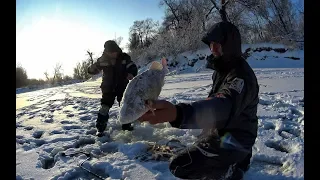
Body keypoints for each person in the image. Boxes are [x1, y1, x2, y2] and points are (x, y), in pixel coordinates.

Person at [139, 21, 259, 180]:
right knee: (197, 146)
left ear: (229, 46)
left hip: (236, 138)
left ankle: (231, 170)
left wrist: (178, 113)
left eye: (218, 45)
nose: (213, 49)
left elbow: (223, 105)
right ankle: (239, 159)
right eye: (211, 45)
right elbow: (214, 99)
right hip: (226, 132)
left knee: (179, 165)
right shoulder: (223, 70)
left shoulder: (240, 76)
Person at [88, 40, 138, 137]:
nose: (113, 54)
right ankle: (100, 129)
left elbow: (132, 66)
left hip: (122, 86)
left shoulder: (124, 57)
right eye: (110, 52)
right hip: (108, 87)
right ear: (106, 52)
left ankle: (126, 125)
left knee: (124, 105)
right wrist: (91, 69)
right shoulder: (103, 59)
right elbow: (93, 70)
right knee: (104, 107)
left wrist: (131, 73)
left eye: (114, 51)